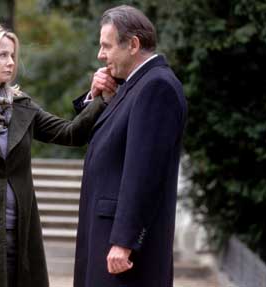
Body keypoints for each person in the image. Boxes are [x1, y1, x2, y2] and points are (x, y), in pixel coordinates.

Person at [0, 23, 114, 287]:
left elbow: (70, 133)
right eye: (3, 55)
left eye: (13, 55)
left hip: (20, 237)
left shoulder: (20, 106)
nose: (11, 62)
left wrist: (99, 98)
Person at [74, 5, 188, 287]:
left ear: (133, 44)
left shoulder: (156, 87)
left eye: (106, 46)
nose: (101, 55)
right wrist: (98, 97)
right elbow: (105, 138)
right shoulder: (134, 85)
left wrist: (125, 241)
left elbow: (144, 172)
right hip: (106, 235)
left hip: (123, 250)